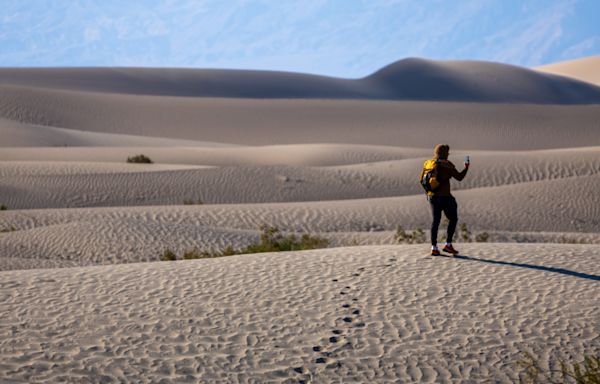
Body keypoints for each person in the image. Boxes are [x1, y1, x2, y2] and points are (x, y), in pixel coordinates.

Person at [420, 144, 469, 256]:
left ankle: (434, 247)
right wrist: (466, 167)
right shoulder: (447, 165)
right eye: (447, 153)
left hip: (432, 197)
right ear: (445, 153)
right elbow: (460, 177)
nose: (448, 155)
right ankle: (448, 245)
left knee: (435, 221)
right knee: (453, 219)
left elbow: (421, 180)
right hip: (445, 198)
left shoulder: (428, 164)